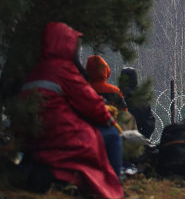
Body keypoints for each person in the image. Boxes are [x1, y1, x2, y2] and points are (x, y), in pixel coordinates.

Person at [18, 22, 124, 199]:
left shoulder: (36, 72)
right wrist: (109, 120)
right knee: (112, 136)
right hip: (63, 135)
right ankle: (114, 187)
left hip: (37, 139)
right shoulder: (64, 71)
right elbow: (92, 105)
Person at [84, 55, 126, 178]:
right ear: (106, 70)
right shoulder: (115, 91)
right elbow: (124, 113)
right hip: (112, 128)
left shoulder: (84, 89)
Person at [118, 67, 155, 139]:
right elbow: (149, 124)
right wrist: (142, 137)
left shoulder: (117, 96)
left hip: (118, 139)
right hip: (137, 140)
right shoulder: (142, 100)